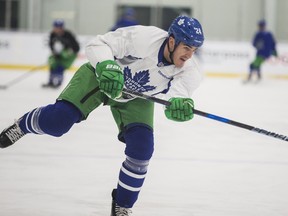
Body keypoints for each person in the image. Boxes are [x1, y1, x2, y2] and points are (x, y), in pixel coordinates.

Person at [0, 15, 204, 215]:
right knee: (57, 122)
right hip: (101, 79)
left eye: (193, 50)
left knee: (142, 150)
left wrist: (179, 104)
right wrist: (106, 65)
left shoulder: (189, 70)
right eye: (186, 48)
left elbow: (179, 94)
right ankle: (22, 125)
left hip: (137, 97)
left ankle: (123, 205)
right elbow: (98, 44)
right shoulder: (144, 38)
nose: (189, 55)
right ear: (171, 41)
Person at [42, 19, 80, 88]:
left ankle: (58, 82)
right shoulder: (52, 34)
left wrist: (68, 52)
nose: (57, 29)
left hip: (69, 54)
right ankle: (51, 81)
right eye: (55, 27)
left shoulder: (68, 34)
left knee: (61, 67)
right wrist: (54, 52)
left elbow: (76, 46)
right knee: (53, 65)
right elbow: (51, 45)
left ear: (62, 28)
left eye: (59, 28)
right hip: (58, 53)